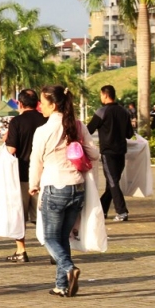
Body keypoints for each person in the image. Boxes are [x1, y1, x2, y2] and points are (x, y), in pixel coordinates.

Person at [29, 85, 99, 297]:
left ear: (53, 105)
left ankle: (69, 268)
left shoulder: (43, 131)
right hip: (77, 187)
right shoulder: (77, 126)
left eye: (43, 102)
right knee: (62, 237)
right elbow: (94, 154)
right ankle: (61, 285)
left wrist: (33, 184)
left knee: (50, 237)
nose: (40, 106)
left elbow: (36, 161)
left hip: (55, 186)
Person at [3, 88, 47, 262]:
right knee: (43, 215)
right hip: (44, 174)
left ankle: (21, 250)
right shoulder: (46, 119)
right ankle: (53, 249)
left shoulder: (17, 122)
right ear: (37, 103)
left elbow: (11, 149)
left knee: (19, 214)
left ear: (20, 104)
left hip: (22, 175)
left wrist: (6, 140)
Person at [87, 85, 134, 222]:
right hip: (121, 151)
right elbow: (129, 134)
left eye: (101, 95)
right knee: (113, 183)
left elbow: (89, 130)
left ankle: (122, 211)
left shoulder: (102, 112)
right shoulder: (124, 112)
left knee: (113, 183)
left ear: (106, 95)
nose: (100, 97)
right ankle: (102, 210)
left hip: (108, 152)